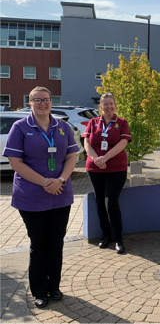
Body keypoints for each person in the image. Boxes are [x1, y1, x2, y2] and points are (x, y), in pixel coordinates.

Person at [2, 86, 79, 308]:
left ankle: (54, 286)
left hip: (60, 195)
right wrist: (45, 182)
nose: (42, 103)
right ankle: (39, 290)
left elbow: (72, 156)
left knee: (55, 243)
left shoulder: (63, 127)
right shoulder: (20, 127)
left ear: (51, 102)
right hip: (32, 196)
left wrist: (61, 181)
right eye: (38, 100)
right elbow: (16, 163)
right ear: (30, 102)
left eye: (46, 100)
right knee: (39, 244)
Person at [83, 93, 132, 254]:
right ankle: (106, 235)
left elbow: (122, 143)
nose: (109, 107)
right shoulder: (93, 122)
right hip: (95, 167)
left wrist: (105, 158)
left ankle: (118, 238)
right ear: (100, 107)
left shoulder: (122, 123)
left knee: (112, 202)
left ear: (115, 105)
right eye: (105, 104)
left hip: (116, 168)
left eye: (111, 104)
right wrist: (96, 158)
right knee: (99, 201)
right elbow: (87, 142)